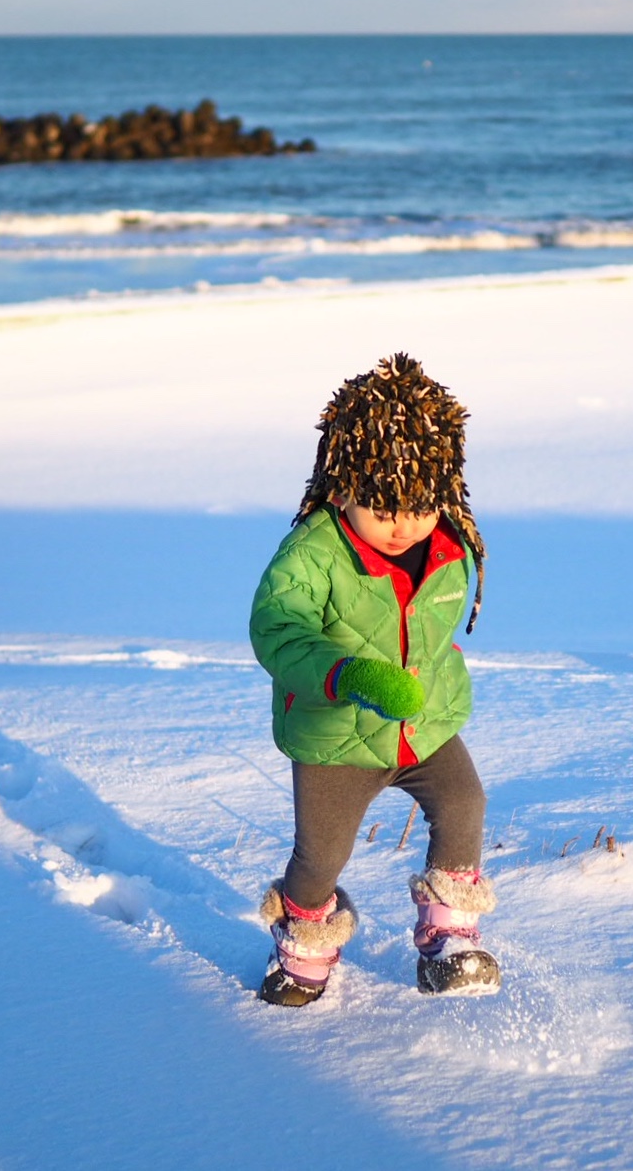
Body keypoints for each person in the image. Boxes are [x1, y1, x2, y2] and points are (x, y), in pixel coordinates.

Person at [248, 352, 500, 1005]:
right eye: (382, 507)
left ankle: (450, 936)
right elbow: (278, 630)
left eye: (418, 506)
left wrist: (438, 682)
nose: (402, 525)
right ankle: (305, 944)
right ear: (343, 484)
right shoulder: (312, 554)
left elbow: (428, 632)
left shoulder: (448, 543)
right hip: (337, 735)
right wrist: (344, 674)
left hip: (424, 724)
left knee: (464, 804)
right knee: (320, 859)